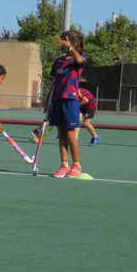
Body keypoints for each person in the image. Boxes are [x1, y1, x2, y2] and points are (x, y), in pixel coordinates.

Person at [48, 29, 86, 177]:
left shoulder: (78, 59)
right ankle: (64, 165)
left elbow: (80, 60)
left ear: (73, 43)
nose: (60, 43)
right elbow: (55, 82)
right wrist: (47, 100)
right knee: (61, 135)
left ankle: (76, 165)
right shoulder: (58, 61)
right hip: (58, 100)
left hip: (71, 100)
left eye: (63, 40)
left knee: (70, 135)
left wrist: (70, 49)